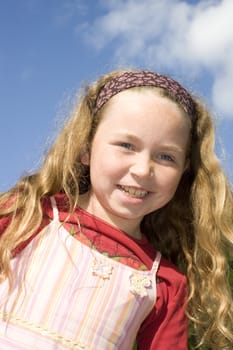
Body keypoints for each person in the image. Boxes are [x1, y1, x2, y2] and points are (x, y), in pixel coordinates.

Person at [0, 69, 232, 350]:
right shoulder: (25, 216)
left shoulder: (164, 284)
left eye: (166, 156)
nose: (143, 169)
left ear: (184, 170)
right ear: (86, 148)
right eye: (126, 145)